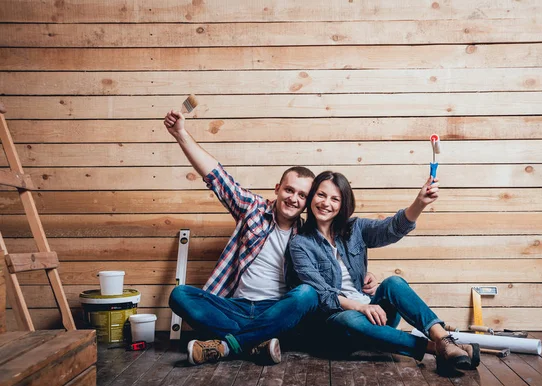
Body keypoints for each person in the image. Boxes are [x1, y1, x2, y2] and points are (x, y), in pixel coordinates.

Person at [164, 109, 320, 366]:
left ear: (306, 202)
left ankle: (228, 345)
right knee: (180, 295)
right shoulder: (253, 209)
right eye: (289, 190)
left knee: (307, 295)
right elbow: (217, 177)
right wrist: (181, 134)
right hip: (234, 307)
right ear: (277, 189)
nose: (294, 198)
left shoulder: (308, 235)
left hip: (276, 309)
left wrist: (364, 279)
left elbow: (335, 268)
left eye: (302, 195)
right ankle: (254, 343)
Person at [286, 171, 480, 372]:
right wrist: (361, 308)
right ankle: (435, 349)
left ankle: (443, 339)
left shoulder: (356, 228)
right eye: (321, 195)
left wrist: (420, 203)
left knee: (394, 283)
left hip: (375, 317)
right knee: (348, 318)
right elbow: (323, 295)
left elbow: (392, 228)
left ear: (343, 204)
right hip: (337, 326)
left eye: (335, 199)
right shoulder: (300, 244)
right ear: (311, 197)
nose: (326, 203)